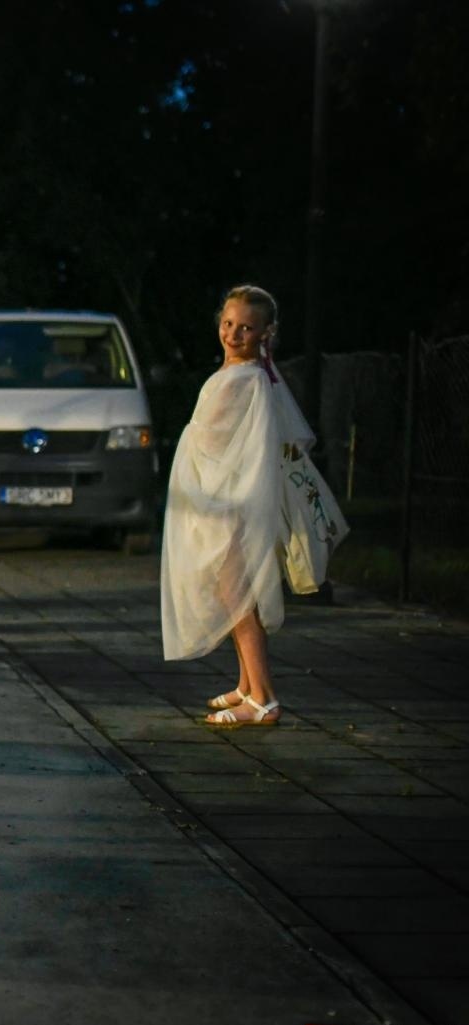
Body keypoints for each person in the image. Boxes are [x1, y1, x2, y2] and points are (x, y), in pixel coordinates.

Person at [161, 284, 345, 726]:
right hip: (222, 500)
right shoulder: (246, 375)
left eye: (246, 327)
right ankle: (247, 684)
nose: (233, 334)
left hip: (226, 504)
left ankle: (262, 697)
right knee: (232, 591)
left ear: (265, 333)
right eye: (228, 324)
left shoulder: (245, 380)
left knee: (237, 592)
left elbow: (222, 446)